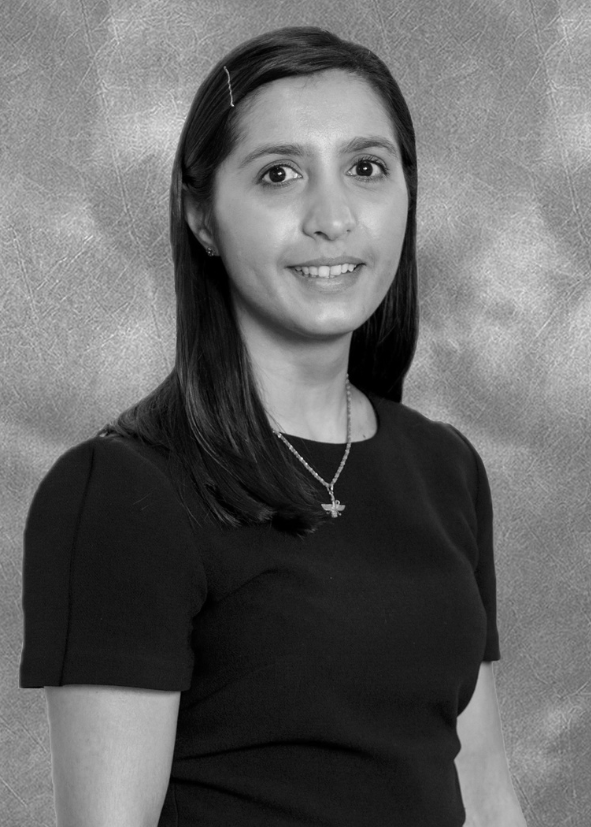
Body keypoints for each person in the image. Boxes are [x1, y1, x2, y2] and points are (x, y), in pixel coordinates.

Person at [20, 25, 527, 827]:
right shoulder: (120, 490)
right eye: (279, 174)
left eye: (366, 168)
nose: (332, 217)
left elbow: (488, 792)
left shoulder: (443, 466)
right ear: (203, 217)